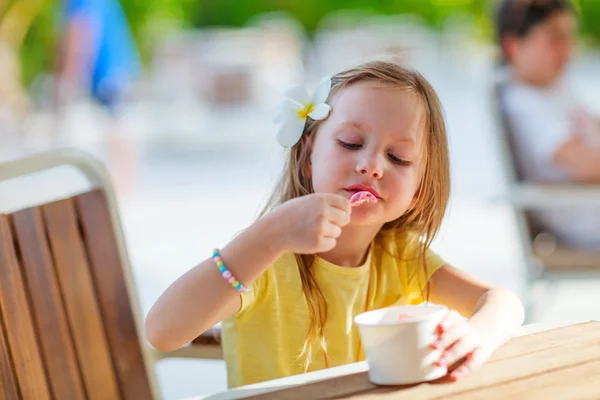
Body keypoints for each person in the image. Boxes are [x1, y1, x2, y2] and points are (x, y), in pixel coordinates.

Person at [145, 60, 524, 388]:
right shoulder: (266, 256)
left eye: (398, 157)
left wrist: (476, 336)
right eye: (350, 142)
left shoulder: (404, 260)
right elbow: (163, 331)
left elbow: (503, 302)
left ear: (420, 190)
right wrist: (269, 234)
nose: (372, 165)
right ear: (308, 155)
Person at [495, 0, 600, 249]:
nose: (567, 49)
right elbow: (589, 165)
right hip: (584, 217)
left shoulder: (553, 89)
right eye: (555, 39)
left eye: (569, 37)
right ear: (513, 46)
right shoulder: (525, 102)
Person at [56, 0, 141, 194]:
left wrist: (71, 78)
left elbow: (82, 34)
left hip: (110, 72)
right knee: (118, 127)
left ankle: (121, 188)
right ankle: (123, 186)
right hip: (119, 67)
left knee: (116, 128)